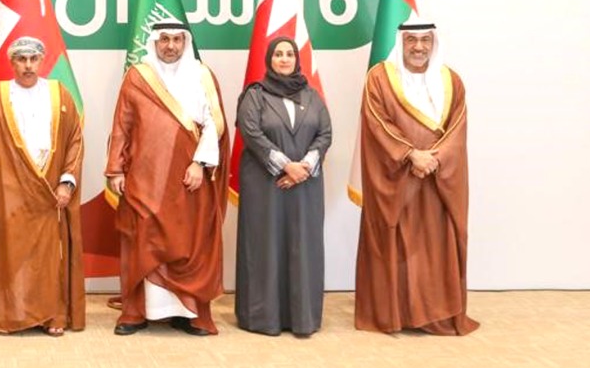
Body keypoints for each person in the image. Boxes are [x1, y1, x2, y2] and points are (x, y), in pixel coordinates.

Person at [105, 21, 230, 336]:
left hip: (189, 178)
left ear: (185, 42)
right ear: (154, 42)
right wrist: (116, 169)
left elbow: (214, 125)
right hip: (144, 178)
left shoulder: (202, 75)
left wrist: (200, 163)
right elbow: (123, 124)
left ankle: (189, 313)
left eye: (176, 39)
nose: (170, 46)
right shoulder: (138, 76)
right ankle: (137, 312)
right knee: (142, 240)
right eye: (164, 40)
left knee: (190, 242)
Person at [355, 19, 479, 335]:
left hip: (438, 182)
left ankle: (438, 314)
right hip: (399, 181)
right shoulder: (379, 79)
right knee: (398, 247)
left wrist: (434, 160)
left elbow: (457, 128)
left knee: (437, 246)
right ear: (401, 42)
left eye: (425, 40)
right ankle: (397, 316)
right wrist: (411, 155)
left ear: (434, 43)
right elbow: (376, 122)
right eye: (412, 40)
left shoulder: (452, 81)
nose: (419, 47)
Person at [0, 36, 85, 336]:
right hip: (9, 193)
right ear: (12, 62)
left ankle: (51, 315)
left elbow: (75, 141)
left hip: (49, 194)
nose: (28, 66)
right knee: (11, 254)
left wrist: (66, 182)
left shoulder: (60, 95)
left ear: (42, 60)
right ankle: (13, 315)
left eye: (33, 59)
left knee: (47, 259)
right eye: (21, 59)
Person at [234, 36, 333, 337]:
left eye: (290, 54)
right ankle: (263, 318)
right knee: (266, 246)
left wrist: (304, 167)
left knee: (303, 246)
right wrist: (284, 165)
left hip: (305, 185)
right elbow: (250, 132)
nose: (285, 59)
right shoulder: (256, 95)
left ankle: (302, 318)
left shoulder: (312, 95)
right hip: (265, 184)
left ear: (297, 59)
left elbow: (325, 134)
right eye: (278, 54)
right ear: (269, 60)